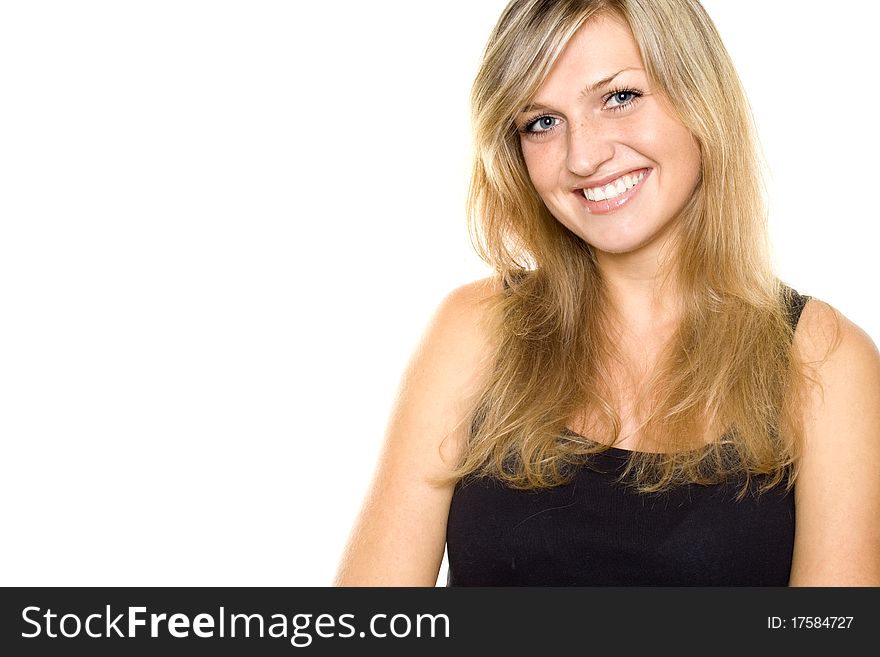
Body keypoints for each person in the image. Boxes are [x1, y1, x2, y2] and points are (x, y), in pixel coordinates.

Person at [333, 0, 880, 586]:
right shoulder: (476, 328)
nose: (583, 156)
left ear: (698, 94)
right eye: (541, 122)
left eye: (619, 97)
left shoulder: (824, 357)